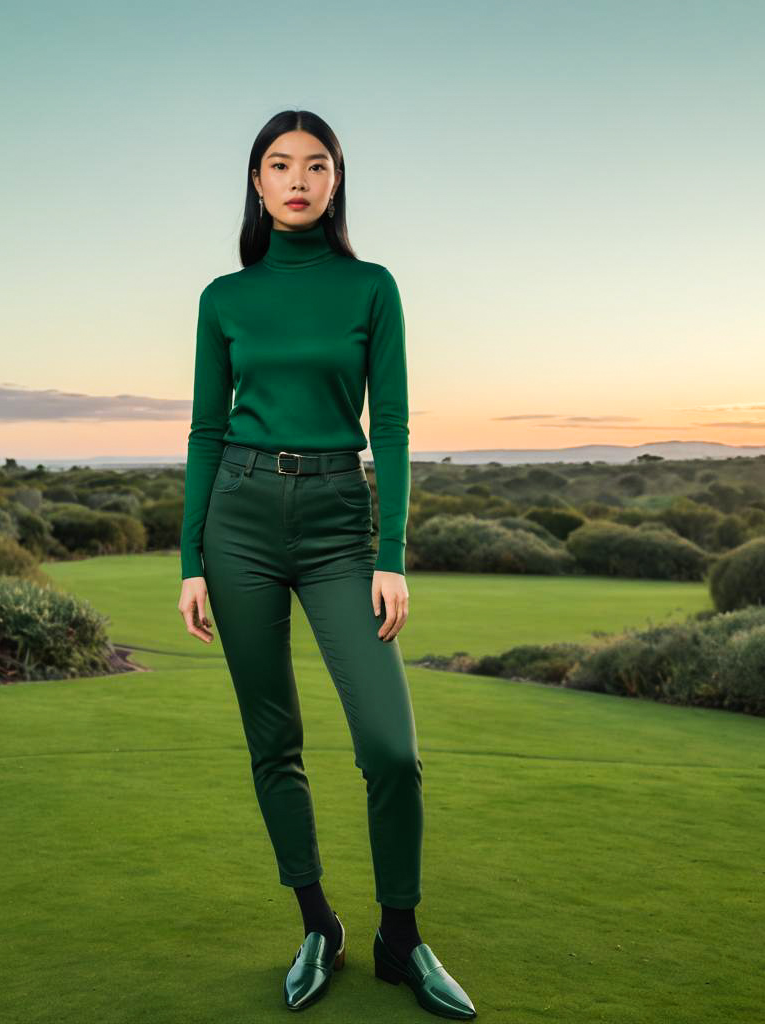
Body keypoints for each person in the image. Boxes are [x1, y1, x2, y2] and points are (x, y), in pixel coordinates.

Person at [176, 109, 476, 1019]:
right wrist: (191, 557)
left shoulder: (372, 288)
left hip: (342, 519)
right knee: (275, 740)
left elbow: (390, 424)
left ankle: (401, 937)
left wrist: (391, 552)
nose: (298, 179)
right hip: (239, 519)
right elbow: (204, 427)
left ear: (335, 181)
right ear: (257, 184)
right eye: (280, 165)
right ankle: (318, 924)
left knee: (391, 746)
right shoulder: (222, 297)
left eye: (316, 165)